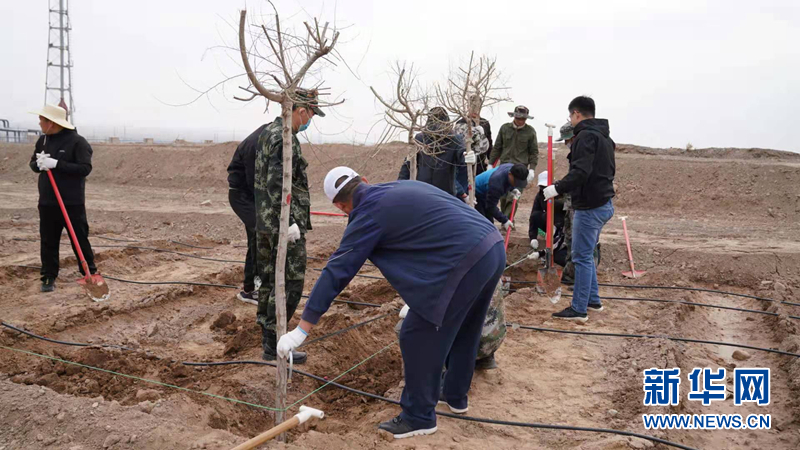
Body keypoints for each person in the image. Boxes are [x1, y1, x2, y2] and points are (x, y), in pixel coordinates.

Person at [277, 167, 506, 439]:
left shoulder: (366, 215)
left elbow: (337, 272)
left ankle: (419, 417)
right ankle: (454, 395)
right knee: (466, 324)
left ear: (340, 206)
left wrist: (302, 330)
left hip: (464, 262)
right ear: (364, 180)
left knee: (415, 334)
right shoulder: (399, 188)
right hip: (491, 246)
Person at [255, 90, 325, 364]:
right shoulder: (284, 138)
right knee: (289, 284)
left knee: (270, 282)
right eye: (311, 114)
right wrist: (291, 223)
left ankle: (270, 342)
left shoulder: (267, 132)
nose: (310, 121)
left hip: (267, 223)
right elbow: (277, 183)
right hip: (283, 227)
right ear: (301, 110)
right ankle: (277, 344)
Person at [544, 96, 615, 322]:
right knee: (587, 253)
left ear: (576, 113)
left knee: (582, 257)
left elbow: (581, 172)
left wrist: (557, 188)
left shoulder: (584, 137)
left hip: (589, 206)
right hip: (603, 204)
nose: (571, 121)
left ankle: (579, 309)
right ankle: (592, 301)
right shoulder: (605, 137)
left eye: (570, 116)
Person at [28, 104, 98, 293]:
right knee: (48, 240)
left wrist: (57, 164)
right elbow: (32, 163)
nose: (39, 122)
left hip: (71, 202)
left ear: (52, 123)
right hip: (47, 201)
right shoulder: (42, 141)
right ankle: (49, 276)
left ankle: (89, 272)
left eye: (42, 120)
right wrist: (38, 165)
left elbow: (85, 169)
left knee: (79, 238)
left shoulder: (78, 142)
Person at [226, 124, 268, 305]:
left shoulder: (265, 138)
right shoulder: (255, 145)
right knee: (259, 236)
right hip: (243, 196)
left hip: (250, 196)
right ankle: (251, 290)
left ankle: (252, 287)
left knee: (257, 237)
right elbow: (254, 182)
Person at [398, 107, 468, 200]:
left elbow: (463, 162)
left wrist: (399, 185)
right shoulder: (421, 138)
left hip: (435, 192)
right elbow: (408, 164)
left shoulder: (454, 140)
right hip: (434, 192)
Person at [487, 105, 538, 218]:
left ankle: (507, 220)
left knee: (514, 197)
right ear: (514, 116)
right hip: (504, 167)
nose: (520, 121)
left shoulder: (530, 132)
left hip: (520, 169)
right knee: (503, 195)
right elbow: (497, 147)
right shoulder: (504, 128)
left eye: (523, 119)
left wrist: (532, 169)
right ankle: (506, 219)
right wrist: (490, 163)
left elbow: (534, 152)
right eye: (518, 118)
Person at [474, 163, 529, 230]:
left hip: (488, 191)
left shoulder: (511, 167)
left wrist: (512, 189)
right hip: (475, 193)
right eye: (516, 182)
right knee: (482, 224)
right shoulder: (496, 184)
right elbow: (491, 207)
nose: (516, 184)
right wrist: (504, 220)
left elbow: (508, 181)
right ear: (510, 174)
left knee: (489, 224)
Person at [528, 170, 566, 244]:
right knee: (537, 215)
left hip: (562, 224)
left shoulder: (561, 192)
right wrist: (533, 237)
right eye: (542, 187)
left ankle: (557, 234)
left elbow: (567, 207)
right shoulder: (540, 195)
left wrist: (554, 202)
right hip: (548, 224)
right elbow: (533, 215)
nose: (544, 188)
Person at [455, 110, 492, 175]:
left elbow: (489, 143)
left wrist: (491, 162)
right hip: (465, 163)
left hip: (480, 164)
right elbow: (458, 143)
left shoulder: (484, 123)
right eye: (472, 107)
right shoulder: (461, 123)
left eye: (476, 106)